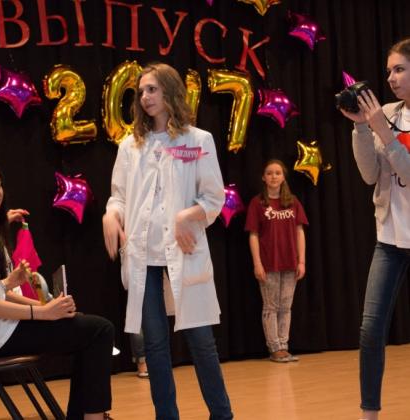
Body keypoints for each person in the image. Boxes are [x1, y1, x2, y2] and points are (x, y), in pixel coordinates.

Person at [103, 62, 233, 420]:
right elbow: (119, 196)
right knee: (156, 348)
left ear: (171, 92)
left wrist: (185, 216)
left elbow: (214, 198)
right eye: (141, 91)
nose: (145, 97)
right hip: (143, 257)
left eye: (153, 89)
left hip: (184, 252)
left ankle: (222, 415)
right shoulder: (130, 146)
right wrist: (111, 214)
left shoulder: (196, 141)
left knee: (201, 343)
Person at [0, 153, 115, 420]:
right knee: (100, 330)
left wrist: (48, 308)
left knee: (88, 327)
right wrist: (42, 312)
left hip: (0, 328)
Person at [339, 38, 410, 420]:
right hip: (390, 240)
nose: (391, 78)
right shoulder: (385, 113)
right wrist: (362, 129)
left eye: (399, 69)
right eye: (389, 71)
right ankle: (369, 414)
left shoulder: (386, 120)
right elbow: (370, 175)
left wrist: (384, 132)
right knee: (370, 331)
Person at [244, 159, 308, 363]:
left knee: (286, 306)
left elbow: (299, 232)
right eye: (269, 173)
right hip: (269, 263)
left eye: (278, 173)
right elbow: (253, 234)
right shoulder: (258, 203)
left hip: (290, 262)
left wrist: (301, 261)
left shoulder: (293, 202)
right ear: (263, 177)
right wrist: (257, 264)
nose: (274, 176)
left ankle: (283, 345)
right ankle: (274, 348)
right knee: (271, 306)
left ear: (283, 177)